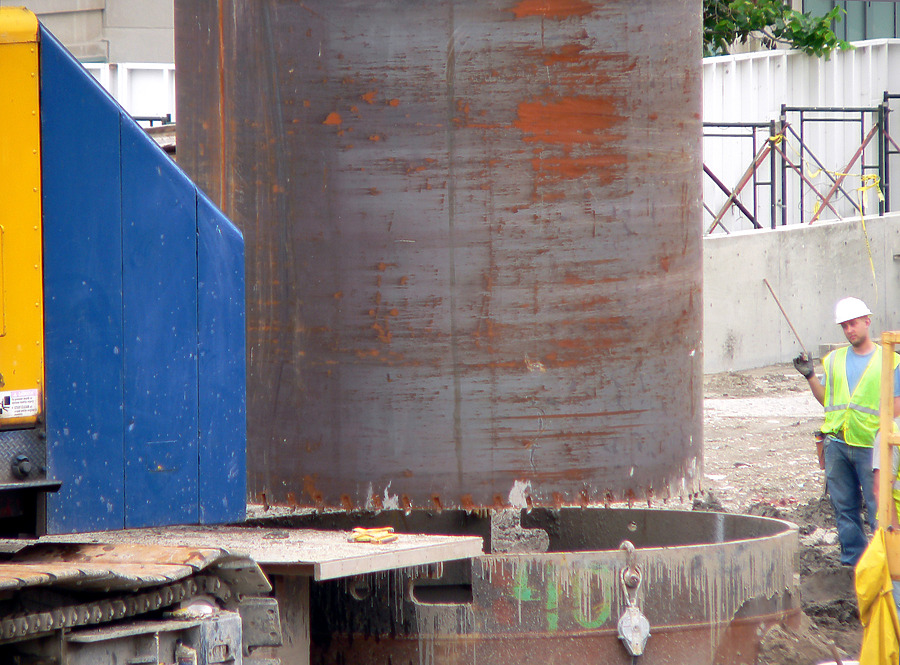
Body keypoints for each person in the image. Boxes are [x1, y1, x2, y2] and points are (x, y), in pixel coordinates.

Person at [793, 296, 900, 566]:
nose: (849, 330)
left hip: (871, 445)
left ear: (867, 321)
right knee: (845, 509)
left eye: (853, 323)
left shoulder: (889, 360)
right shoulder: (834, 360)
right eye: (844, 326)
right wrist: (810, 376)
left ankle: (883, 563)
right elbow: (827, 400)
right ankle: (853, 562)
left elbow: (896, 407)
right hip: (837, 443)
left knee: (880, 508)